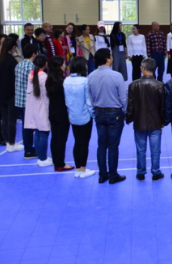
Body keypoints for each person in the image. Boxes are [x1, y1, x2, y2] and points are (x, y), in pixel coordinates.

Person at [88, 48, 127, 184]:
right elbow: (123, 98)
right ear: (108, 59)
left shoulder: (91, 76)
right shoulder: (116, 76)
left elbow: (90, 97)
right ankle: (113, 175)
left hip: (99, 112)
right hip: (114, 113)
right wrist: (125, 112)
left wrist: (94, 112)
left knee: (101, 145)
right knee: (113, 146)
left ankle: (102, 174)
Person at [126, 57, 165, 181]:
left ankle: (141, 173)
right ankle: (156, 172)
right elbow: (163, 106)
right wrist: (163, 121)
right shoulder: (160, 85)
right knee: (155, 150)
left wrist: (129, 118)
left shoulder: (133, 85)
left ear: (143, 68)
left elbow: (130, 106)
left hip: (139, 122)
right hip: (156, 123)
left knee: (140, 149)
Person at [0, 37, 23, 152]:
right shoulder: (11, 61)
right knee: (11, 120)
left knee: (4, 119)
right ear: (13, 47)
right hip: (10, 94)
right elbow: (15, 78)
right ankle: (11, 143)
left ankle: (8, 142)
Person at [64, 56, 95, 178]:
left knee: (77, 142)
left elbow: (67, 101)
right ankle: (83, 169)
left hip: (73, 116)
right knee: (84, 143)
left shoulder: (66, 81)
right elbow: (88, 101)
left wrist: (69, 114)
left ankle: (78, 169)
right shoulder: (85, 81)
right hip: (85, 116)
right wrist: (93, 114)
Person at [45, 56, 74, 172]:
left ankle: (56, 162)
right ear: (59, 66)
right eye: (63, 64)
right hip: (62, 112)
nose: (64, 66)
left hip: (52, 111)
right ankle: (60, 164)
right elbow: (66, 99)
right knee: (61, 139)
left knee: (55, 137)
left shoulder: (49, 79)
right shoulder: (61, 81)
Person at [25, 55, 52, 167]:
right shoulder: (44, 77)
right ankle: (43, 158)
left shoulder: (32, 74)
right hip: (42, 107)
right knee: (44, 132)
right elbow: (46, 95)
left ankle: (40, 156)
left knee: (37, 132)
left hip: (33, 107)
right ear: (45, 63)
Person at [15, 44, 38, 159]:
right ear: (34, 54)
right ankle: (28, 150)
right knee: (28, 127)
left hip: (19, 100)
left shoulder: (19, 65)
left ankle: (28, 148)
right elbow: (34, 85)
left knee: (26, 126)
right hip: (27, 102)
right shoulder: (31, 67)